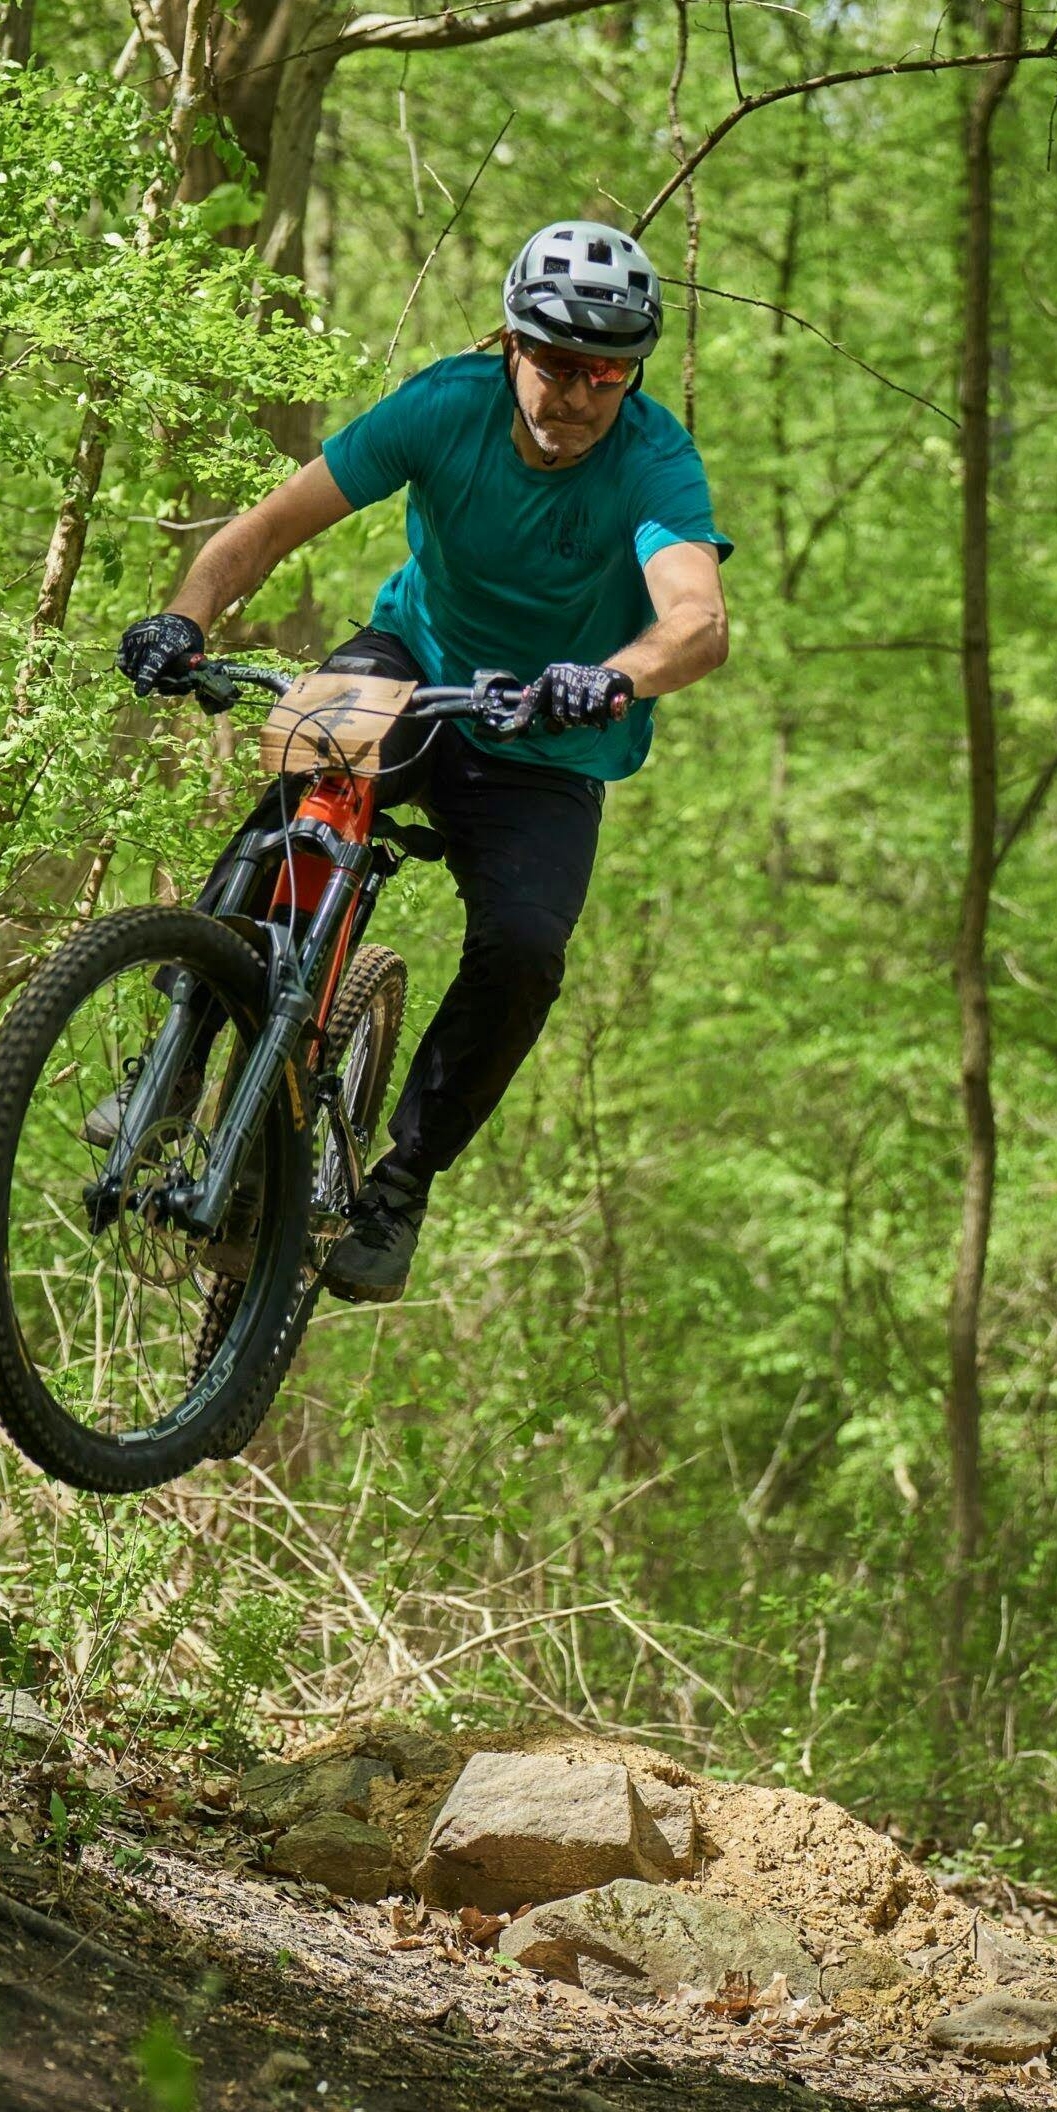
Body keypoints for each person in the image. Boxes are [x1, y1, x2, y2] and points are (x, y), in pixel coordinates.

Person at [115, 221, 732, 1303]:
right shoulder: (446, 406)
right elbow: (263, 530)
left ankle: (399, 1184)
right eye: (557, 362)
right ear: (512, 344)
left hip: (551, 730)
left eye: (607, 372)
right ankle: (177, 1056)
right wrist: (184, 618)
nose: (579, 393)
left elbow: (698, 620)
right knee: (303, 779)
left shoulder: (653, 460)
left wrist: (613, 676)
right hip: (414, 663)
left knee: (525, 948)